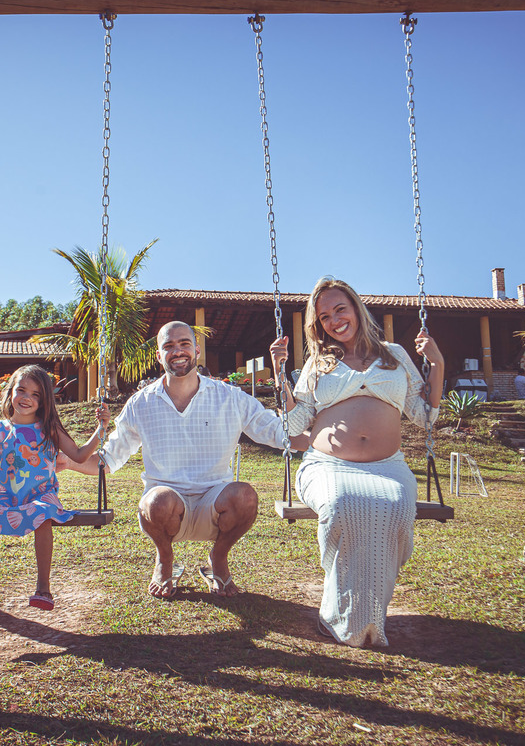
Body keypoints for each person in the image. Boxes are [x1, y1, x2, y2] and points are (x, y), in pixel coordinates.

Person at [269, 277, 444, 648]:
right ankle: (338, 617)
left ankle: (364, 618)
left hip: (388, 467)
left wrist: (437, 363)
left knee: (395, 509)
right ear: (318, 326)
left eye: (340, 309)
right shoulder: (319, 363)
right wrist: (280, 375)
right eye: (325, 317)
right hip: (328, 466)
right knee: (343, 506)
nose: (334, 320)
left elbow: (423, 415)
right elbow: (296, 422)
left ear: (356, 309)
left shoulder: (395, 355)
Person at [91, 320, 291, 599]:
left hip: (215, 503)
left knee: (245, 496)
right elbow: (110, 457)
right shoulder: (141, 403)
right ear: (159, 356)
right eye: (169, 346)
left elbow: (282, 434)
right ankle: (165, 559)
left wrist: (282, 376)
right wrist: (64, 461)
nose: (178, 351)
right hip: (166, 509)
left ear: (197, 350)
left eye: (184, 343)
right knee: (156, 500)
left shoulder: (230, 397)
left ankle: (218, 559)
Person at [0, 364, 105, 613]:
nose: (27, 398)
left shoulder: (49, 429)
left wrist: (100, 430)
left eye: (36, 394)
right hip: (7, 498)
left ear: (43, 401)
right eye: (22, 390)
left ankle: (43, 588)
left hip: (42, 495)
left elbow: (78, 455)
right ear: (11, 392)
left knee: (42, 514)